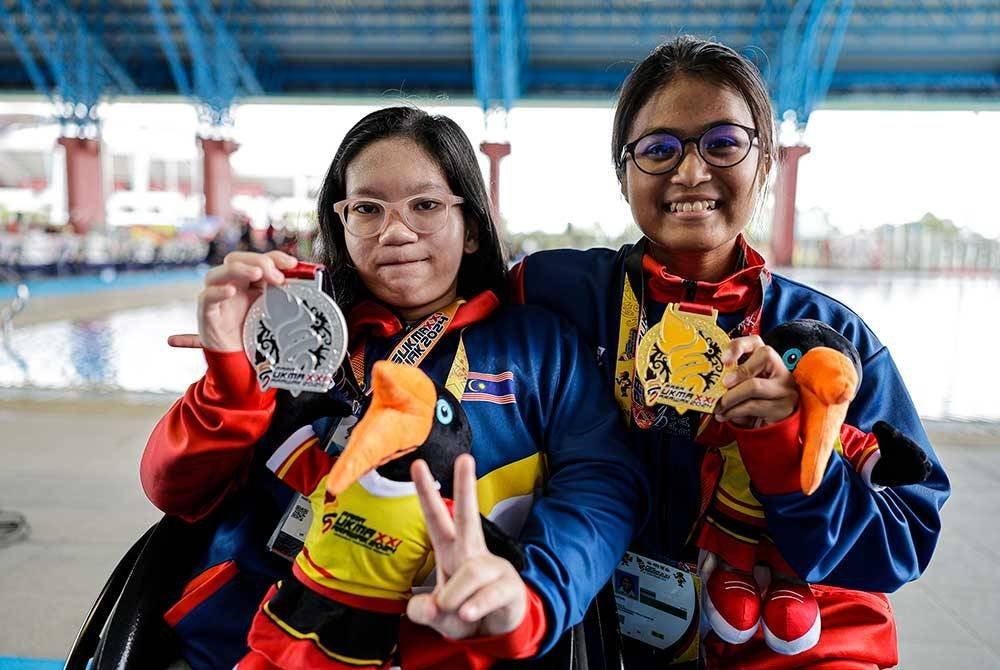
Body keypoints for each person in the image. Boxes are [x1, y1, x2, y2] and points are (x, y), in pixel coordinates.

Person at [141, 106, 645, 670]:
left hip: (456, 649)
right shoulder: (297, 335)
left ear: (472, 227)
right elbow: (174, 489)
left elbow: (602, 483)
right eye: (367, 208)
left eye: (426, 205)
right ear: (342, 224)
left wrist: (531, 596)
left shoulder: (536, 346)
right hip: (249, 647)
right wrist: (230, 376)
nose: (395, 231)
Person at [513, 35, 949, 669]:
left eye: (722, 143)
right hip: (603, 638)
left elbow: (901, 544)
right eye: (659, 150)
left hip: (784, 648)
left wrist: (795, 455)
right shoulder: (555, 292)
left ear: (765, 162)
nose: (691, 173)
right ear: (623, 171)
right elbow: (434, 305)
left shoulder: (830, 341)